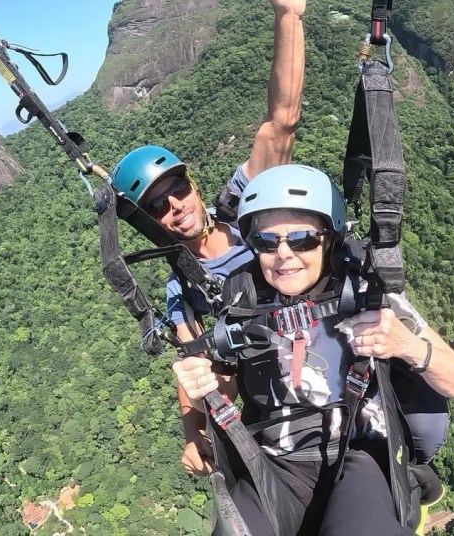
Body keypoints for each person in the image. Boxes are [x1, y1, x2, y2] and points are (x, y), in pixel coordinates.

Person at [173, 164, 454, 534]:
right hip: (273, 462)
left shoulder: (367, 295)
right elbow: (226, 385)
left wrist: (407, 345)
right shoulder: (242, 302)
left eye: (302, 239)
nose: (283, 255)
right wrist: (202, 387)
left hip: (356, 454)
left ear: (329, 239)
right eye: (267, 241)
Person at [108, 0, 308, 478]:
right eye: (158, 205)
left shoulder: (241, 208)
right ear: (149, 223)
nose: (175, 205)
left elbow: (281, 124)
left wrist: (288, 17)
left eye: (177, 188)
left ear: (192, 184)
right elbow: (193, 362)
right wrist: (192, 433)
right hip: (277, 384)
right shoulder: (183, 287)